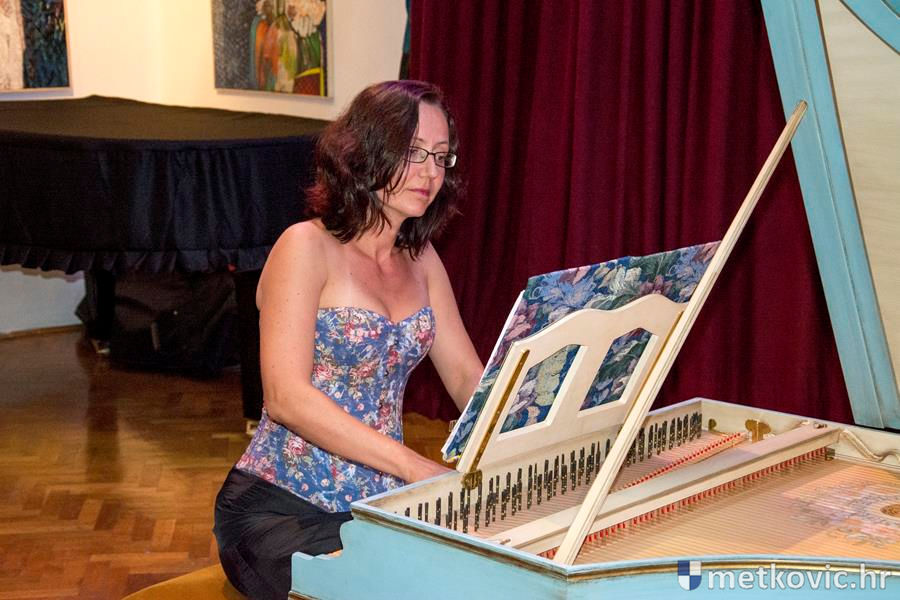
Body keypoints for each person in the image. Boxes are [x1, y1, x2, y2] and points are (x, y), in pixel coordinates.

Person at [213, 80, 484, 599]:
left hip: (378, 506)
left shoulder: (422, 259)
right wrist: (415, 467)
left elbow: (466, 378)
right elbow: (286, 398)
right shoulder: (305, 246)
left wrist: (532, 434)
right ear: (365, 151)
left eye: (441, 156)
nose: (430, 172)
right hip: (281, 509)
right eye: (414, 152)